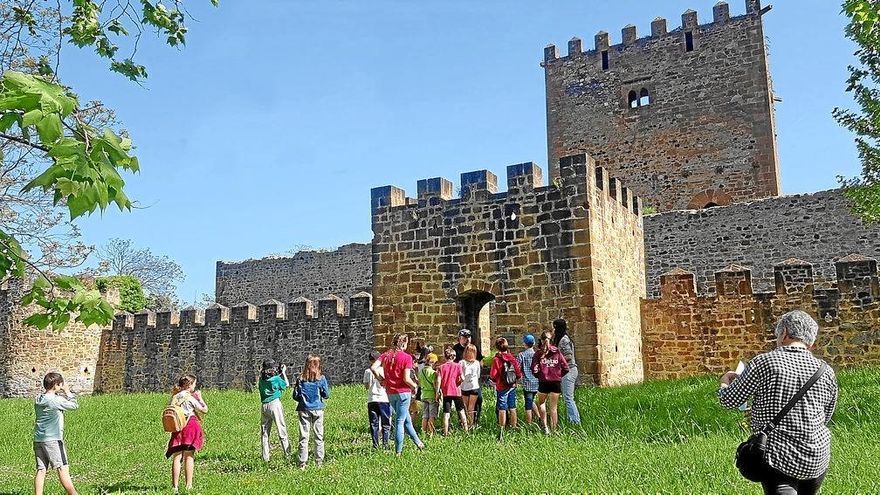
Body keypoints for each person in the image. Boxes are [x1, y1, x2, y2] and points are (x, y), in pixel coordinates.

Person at [719, 310, 838, 495]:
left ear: (784, 333)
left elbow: (729, 400)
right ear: (811, 341)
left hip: (778, 457)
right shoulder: (826, 371)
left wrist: (725, 381)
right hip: (816, 459)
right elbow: (825, 415)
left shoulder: (764, 362)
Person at [371, 333, 425, 456]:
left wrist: (381, 380)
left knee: (406, 420)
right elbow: (406, 378)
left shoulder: (385, 355)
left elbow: (373, 368)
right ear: (403, 343)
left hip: (390, 392)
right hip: (403, 392)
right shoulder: (407, 357)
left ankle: (419, 443)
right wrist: (415, 386)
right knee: (400, 421)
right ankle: (398, 452)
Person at [33, 372, 79, 495]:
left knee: (41, 469)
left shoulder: (38, 399)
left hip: (38, 439)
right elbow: (74, 406)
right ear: (56, 385)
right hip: (53, 440)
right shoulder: (56, 400)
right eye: (60, 384)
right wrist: (67, 391)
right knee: (62, 467)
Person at [166, 374, 208, 493]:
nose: (195, 386)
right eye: (194, 384)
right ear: (189, 385)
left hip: (178, 427)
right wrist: (200, 398)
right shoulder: (190, 397)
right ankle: (188, 486)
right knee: (189, 456)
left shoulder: (174, 397)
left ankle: (175, 487)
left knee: (177, 457)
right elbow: (204, 410)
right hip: (190, 427)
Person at [293, 354, 330, 469]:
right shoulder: (321, 379)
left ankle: (302, 463)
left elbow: (295, 396)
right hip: (318, 408)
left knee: (304, 437)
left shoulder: (300, 379)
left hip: (304, 409)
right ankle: (319, 462)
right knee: (319, 436)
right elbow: (326, 394)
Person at [532, 331, 569, 434]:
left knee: (541, 403)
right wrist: (558, 375)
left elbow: (534, 369)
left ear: (541, 340)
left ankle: (545, 427)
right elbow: (566, 367)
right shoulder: (557, 352)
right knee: (553, 408)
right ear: (551, 340)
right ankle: (554, 430)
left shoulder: (538, 353)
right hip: (555, 382)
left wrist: (539, 376)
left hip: (543, 382)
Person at [488, 337, 523, 440]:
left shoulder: (496, 359)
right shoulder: (512, 358)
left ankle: (502, 429)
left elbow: (493, 375)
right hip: (511, 386)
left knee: (502, 408)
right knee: (512, 407)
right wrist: (516, 381)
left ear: (497, 347)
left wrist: (494, 382)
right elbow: (518, 372)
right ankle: (514, 427)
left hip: (501, 387)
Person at [257, 359, 290, 462]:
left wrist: (278, 374)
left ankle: (265, 457)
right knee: (281, 429)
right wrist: (283, 373)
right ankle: (288, 455)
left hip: (264, 406)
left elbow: (271, 380)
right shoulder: (276, 379)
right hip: (275, 404)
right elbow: (286, 384)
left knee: (265, 433)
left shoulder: (261, 379)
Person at [452, 329, 485, 424]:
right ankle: (463, 421)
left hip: (473, 381)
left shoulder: (474, 348)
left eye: (469, 337)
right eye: (464, 337)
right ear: (459, 338)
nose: (467, 339)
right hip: (462, 382)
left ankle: (475, 420)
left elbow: (480, 361)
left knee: (479, 399)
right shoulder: (456, 349)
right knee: (462, 403)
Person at [552, 319, 581, 425]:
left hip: (569, 370)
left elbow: (568, 356)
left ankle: (575, 421)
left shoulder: (564, 340)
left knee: (568, 397)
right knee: (567, 397)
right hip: (566, 371)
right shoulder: (561, 339)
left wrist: (556, 361)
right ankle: (571, 419)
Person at [363, 351, 391, 449]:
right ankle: (385, 444)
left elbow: (366, 386)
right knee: (385, 423)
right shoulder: (384, 370)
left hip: (372, 399)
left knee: (374, 424)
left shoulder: (367, 371)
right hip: (384, 399)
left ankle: (375, 445)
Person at [437, 347, 468, 436]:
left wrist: (437, 392)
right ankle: (466, 430)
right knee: (461, 411)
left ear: (445, 356)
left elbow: (438, 380)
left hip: (446, 392)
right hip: (456, 391)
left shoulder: (441, 367)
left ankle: (445, 432)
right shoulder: (458, 366)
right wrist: (458, 383)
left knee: (446, 413)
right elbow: (462, 378)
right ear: (454, 357)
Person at [517, 334, 541, 425]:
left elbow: (517, 368)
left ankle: (529, 424)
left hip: (527, 383)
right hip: (537, 382)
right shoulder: (537, 354)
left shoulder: (522, 355)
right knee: (532, 401)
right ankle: (539, 417)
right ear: (534, 343)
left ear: (524, 344)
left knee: (528, 405)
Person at [417, 352, 441, 438]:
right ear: (432, 362)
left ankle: (423, 433)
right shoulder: (433, 373)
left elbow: (420, 383)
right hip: (431, 395)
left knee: (425, 415)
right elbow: (435, 385)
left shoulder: (421, 371)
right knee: (432, 415)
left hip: (424, 395)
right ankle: (430, 434)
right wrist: (437, 394)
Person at [459, 344, 482, 426]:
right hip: (473, 386)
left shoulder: (462, 362)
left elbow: (460, 375)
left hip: (466, 386)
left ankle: (467, 425)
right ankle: (470, 424)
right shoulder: (476, 363)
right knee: (470, 407)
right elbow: (478, 375)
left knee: (467, 407)